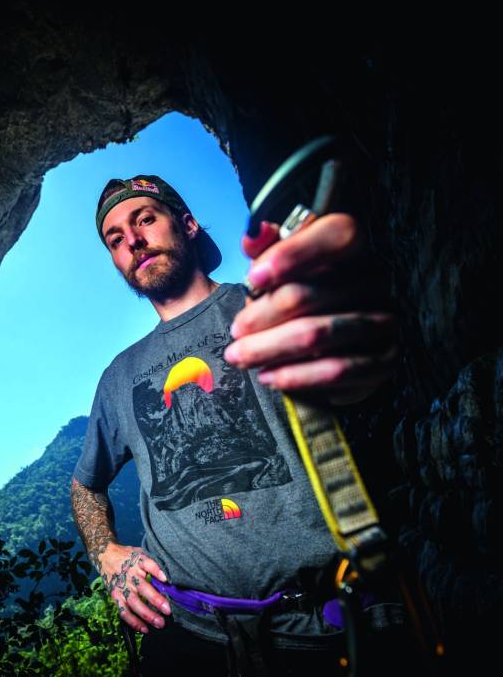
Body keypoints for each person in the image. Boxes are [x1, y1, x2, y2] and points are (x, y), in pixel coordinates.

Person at [70, 174, 404, 675]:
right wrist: (105, 552)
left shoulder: (265, 307)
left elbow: (356, 377)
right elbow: (84, 483)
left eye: (145, 219)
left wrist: (364, 339)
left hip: (321, 630)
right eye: (115, 239)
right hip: (183, 636)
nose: (133, 241)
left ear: (186, 225)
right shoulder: (119, 376)